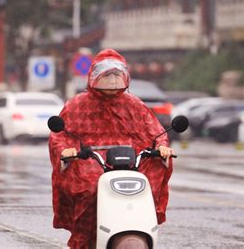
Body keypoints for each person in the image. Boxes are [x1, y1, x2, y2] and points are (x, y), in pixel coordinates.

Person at [49, 49, 175, 248]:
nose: (113, 80)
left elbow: (155, 131)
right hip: (89, 163)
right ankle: (83, 241)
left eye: (116, 74)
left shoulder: (134, 105)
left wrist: (162, 147)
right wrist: (66, 150)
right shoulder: (77, 106)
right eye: (107, 75)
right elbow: (60, 135)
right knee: (90, 191)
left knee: (145, 187)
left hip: (129, 164)